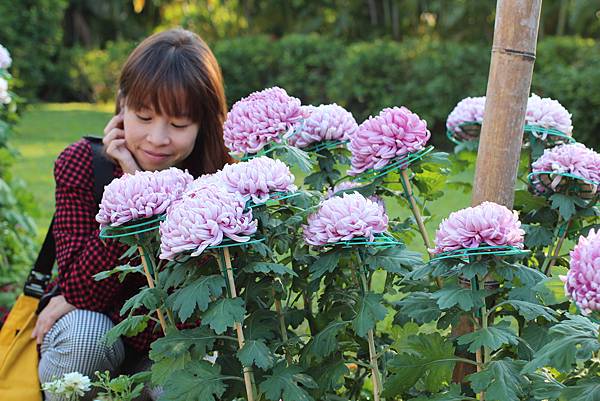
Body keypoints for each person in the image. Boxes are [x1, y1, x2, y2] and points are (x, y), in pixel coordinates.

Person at [32, 28, 233, 401]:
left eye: (177, 125)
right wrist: (132, 190)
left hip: (170, 347)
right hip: (96, 339)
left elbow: (192, 318)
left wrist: (150, 192)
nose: (157, 138)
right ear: (122, 105)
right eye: (143, 116)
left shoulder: (219, 185)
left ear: (204, 123)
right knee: (83, 335)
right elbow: (79, 287)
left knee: (188, 367)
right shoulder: (82, 165)